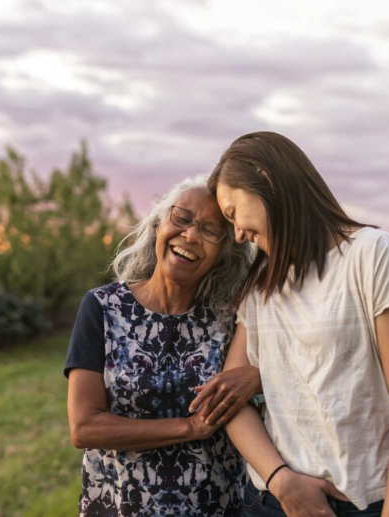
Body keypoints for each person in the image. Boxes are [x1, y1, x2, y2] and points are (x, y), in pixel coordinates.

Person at [192, 131, 389, 517]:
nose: (238, 233)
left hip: (366, 504)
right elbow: (231, 402)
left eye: (232, 213)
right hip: (271, 503)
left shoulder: (373, 256)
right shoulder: (262, 286)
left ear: (266, 179)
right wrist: (280, 480)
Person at [65, 175, 259, 516]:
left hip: (216, 507)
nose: (191, 235)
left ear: (225, 253)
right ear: (158, 224)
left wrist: (257, 377)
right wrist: (191, 428)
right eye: (182, 218)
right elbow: (84, 426)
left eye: (211, 231)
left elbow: (284, 368)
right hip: (120, 506)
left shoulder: (233, 318)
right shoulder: (102, 308)